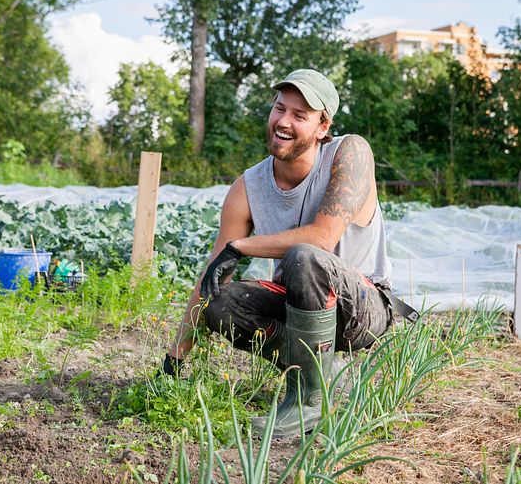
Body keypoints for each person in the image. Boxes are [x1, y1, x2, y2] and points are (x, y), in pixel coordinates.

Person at [160, 68, 398, 438]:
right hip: (298, 307)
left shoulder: (350, 153)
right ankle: (325, 376)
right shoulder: (249, 186)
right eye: (279, 109)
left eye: (299, 116)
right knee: (220, 302)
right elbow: (212, 270)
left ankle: (307, 402)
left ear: (323, 127)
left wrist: (240, 247)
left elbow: (322, 237)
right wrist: (174, 359)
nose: (283, 122)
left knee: (304, 256)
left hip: (362, 307)